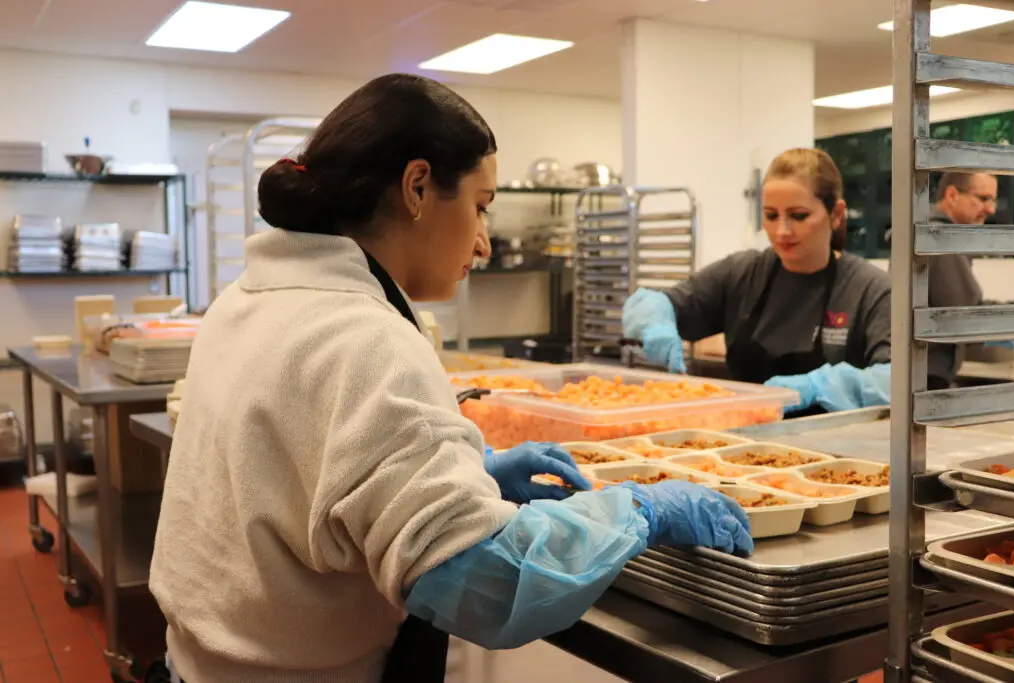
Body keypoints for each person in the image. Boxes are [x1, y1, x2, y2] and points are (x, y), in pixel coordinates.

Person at [148, 74, 752, 683]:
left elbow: (300, 472)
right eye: (480, 205)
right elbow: (483, 583)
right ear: (417, 187)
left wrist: (472, 472)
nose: (485, 243)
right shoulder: (364, 337)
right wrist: (639, 512)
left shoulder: (249, 296)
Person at [623, 148, 891, 417]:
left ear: (836, 214)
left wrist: (818, 387)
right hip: (741, 443)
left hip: (840, 450)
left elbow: (896, 381)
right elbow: (655, 302)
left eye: (798, 216)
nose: (781, 231)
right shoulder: (741, 273)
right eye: (771, 216)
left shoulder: (871, 290)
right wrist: (655, 321)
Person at [918, 171, 1007, 389]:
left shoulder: (933, 235)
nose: (991, 209)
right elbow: (967, 311)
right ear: (952, 195)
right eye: (983, 198)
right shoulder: (937, 238)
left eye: (993, 200)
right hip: (925, 379)